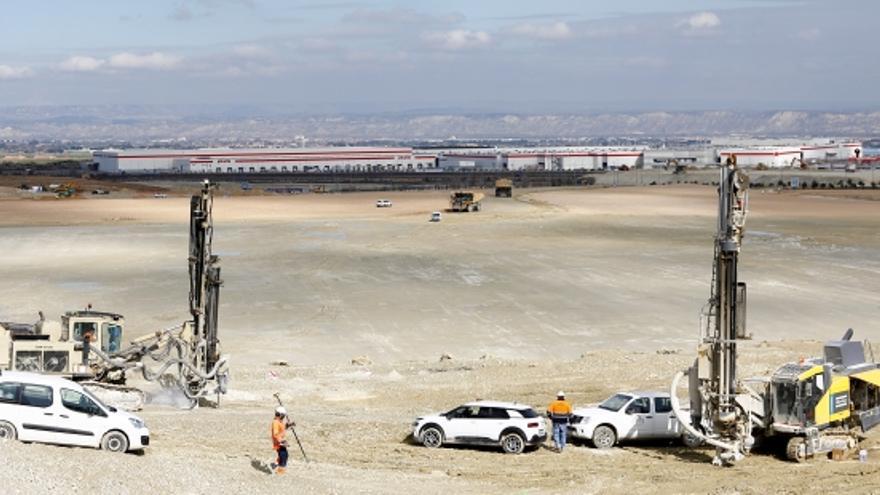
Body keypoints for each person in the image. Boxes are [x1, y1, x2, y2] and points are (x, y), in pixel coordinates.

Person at [270, 406, 294, 474]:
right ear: (280, 415)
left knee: (283, 454)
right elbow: (275, 434)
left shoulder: (279, 422)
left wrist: (288, 425)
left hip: (280, 441)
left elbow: (282, 429)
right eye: (283, 416)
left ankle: (276, 463)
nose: (283, 417)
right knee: (283, 455)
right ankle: (280, 470)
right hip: (278, 442)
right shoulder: (275, 423)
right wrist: (281, 441)